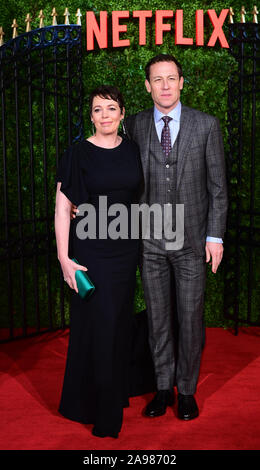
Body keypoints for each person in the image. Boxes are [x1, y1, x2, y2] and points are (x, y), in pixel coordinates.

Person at [125, 54, 228, 420]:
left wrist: (214, 236)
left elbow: (217, 187)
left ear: (182, 82)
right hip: (149, 243)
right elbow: (121, 175)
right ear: (148, 85)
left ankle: (187, 390)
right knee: (158, 320)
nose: (165, 85)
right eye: (158, 79)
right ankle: (163, 388)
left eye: (171, 78)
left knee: (189, 317)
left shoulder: (206, 125)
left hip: (191, 242)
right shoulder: (134, 125)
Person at [54, 85, 143, 438]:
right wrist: (64, 258)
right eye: (97, 110)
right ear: (90, 116)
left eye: (110, 108)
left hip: (126, 251)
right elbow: (62, 208)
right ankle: (105, 415)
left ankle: (109, 394)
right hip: (91, 251)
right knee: (100, 327)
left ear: (122, 113)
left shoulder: (134, 150)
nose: (104, 115)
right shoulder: (78, 153)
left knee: (117, 327)